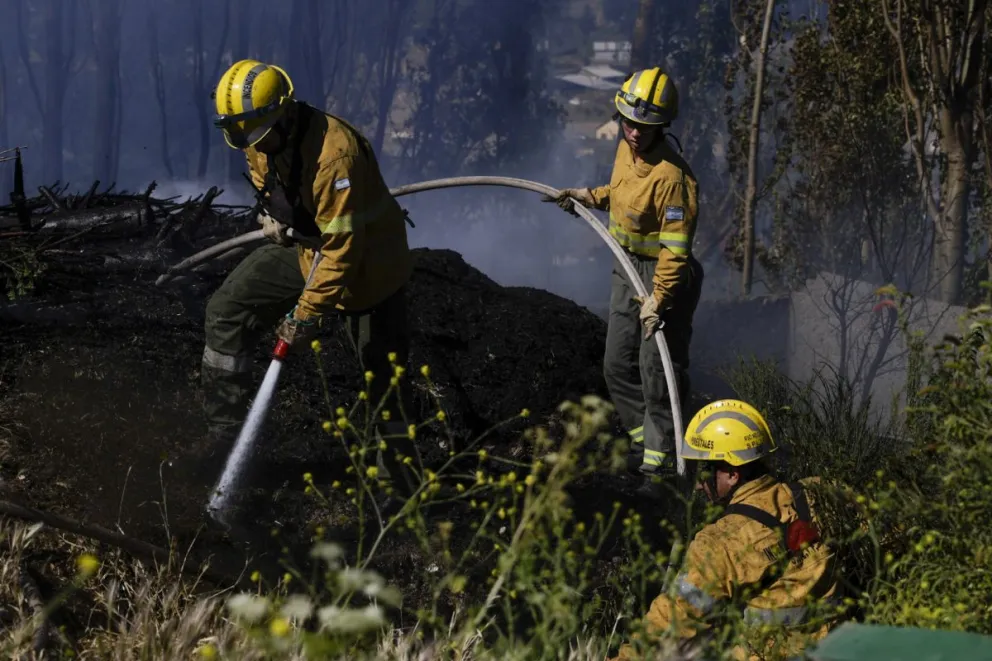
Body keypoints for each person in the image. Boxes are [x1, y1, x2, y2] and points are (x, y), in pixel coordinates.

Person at [192, 59, 418, 498]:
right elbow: (263, 170)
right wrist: (272, 215)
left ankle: (397, 492)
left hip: (368, 269)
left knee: (384, 380)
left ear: (285, 112)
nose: (251, 146)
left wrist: (303, 317)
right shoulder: (256, 131)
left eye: (256, 137)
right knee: (227, 310)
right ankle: (225, 436)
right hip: (308, 251)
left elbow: (342, 252)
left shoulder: (337, 156)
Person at [545, 66, 703, 484]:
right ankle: (644, 440)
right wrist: (588, 197)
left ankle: (663, 461)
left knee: (657, 369)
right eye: (629, 123)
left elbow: (674, 250)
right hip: (625, 266)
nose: (633, 133)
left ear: (662, 126)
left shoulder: (674, 179)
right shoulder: (624, 149)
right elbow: (620, 195)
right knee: (616, 364)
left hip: (663, 277)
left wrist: (659, 299)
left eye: (643, 127)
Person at [609, 399, 841, 661]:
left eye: (707, 471)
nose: (700, 485)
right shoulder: (818, 493)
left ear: (732, 474)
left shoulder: (722, 543)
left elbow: (674, 619)